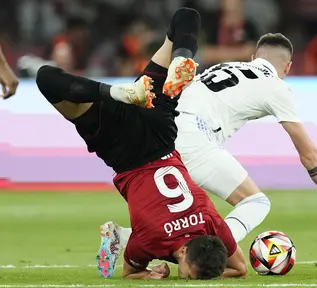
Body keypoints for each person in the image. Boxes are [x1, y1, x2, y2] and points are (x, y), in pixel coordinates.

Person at [35, 8, 247, 280]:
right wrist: (151, 275)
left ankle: (176, 61)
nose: (184, 278)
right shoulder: (151, 241)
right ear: (182, 255)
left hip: (158, 126)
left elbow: (239, 269)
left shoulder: (213, 224)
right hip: (121, 148)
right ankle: (113, 93)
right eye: (187, 275)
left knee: (186, 16)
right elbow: (129, 273)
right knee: (46, 78)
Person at [172, 33, 317, 243]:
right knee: (255, 202)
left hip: (164, 128)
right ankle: (210, 254)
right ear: (287, 68)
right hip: (195, 136)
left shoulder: (223, 67)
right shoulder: (276, 87)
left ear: (252, 58)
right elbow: (309, 155)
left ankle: (125, 238)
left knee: (171, 217)